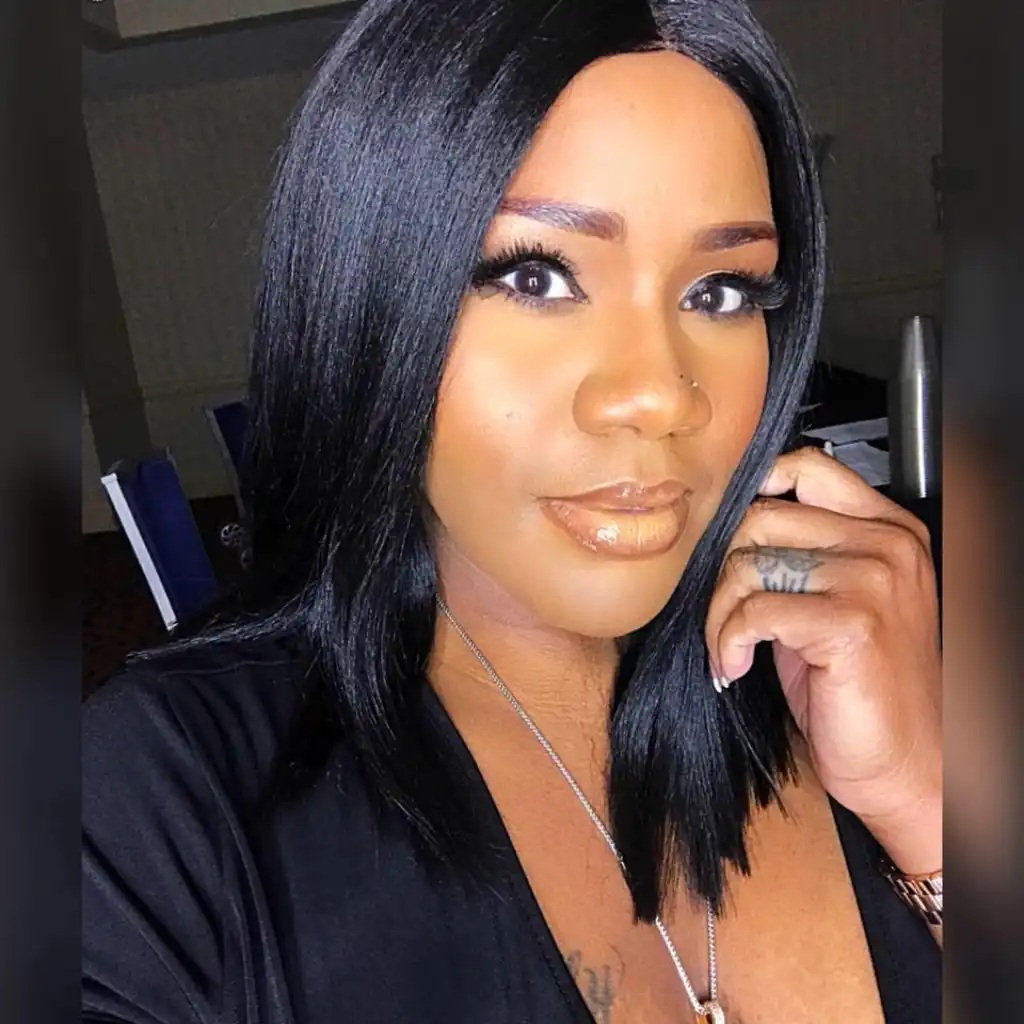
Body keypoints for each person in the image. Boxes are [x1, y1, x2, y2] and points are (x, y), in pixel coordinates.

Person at [83, 1, 942, 1021]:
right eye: (537, 276)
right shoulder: (157, 800)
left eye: (719, 291)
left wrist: (926, 808)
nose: (657, 395)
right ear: (370, 296)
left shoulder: (866, 671)